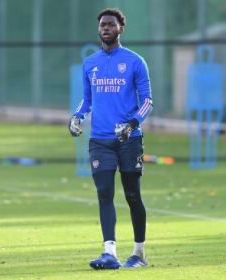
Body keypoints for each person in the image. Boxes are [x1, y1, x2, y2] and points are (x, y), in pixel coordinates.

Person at [69, 7, 153, 269]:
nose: (105, 28)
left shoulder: (135, 61)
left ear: (120, 29)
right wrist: (77, 116)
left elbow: (147, 101)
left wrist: (132, 124)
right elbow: (88, 99)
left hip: (129, 139)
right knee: (104, 193)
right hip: (100, 140)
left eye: (110, 24)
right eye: (102, 25)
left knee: (132, 195)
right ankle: (110, 254)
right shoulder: (90, 63)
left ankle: (139, 254)